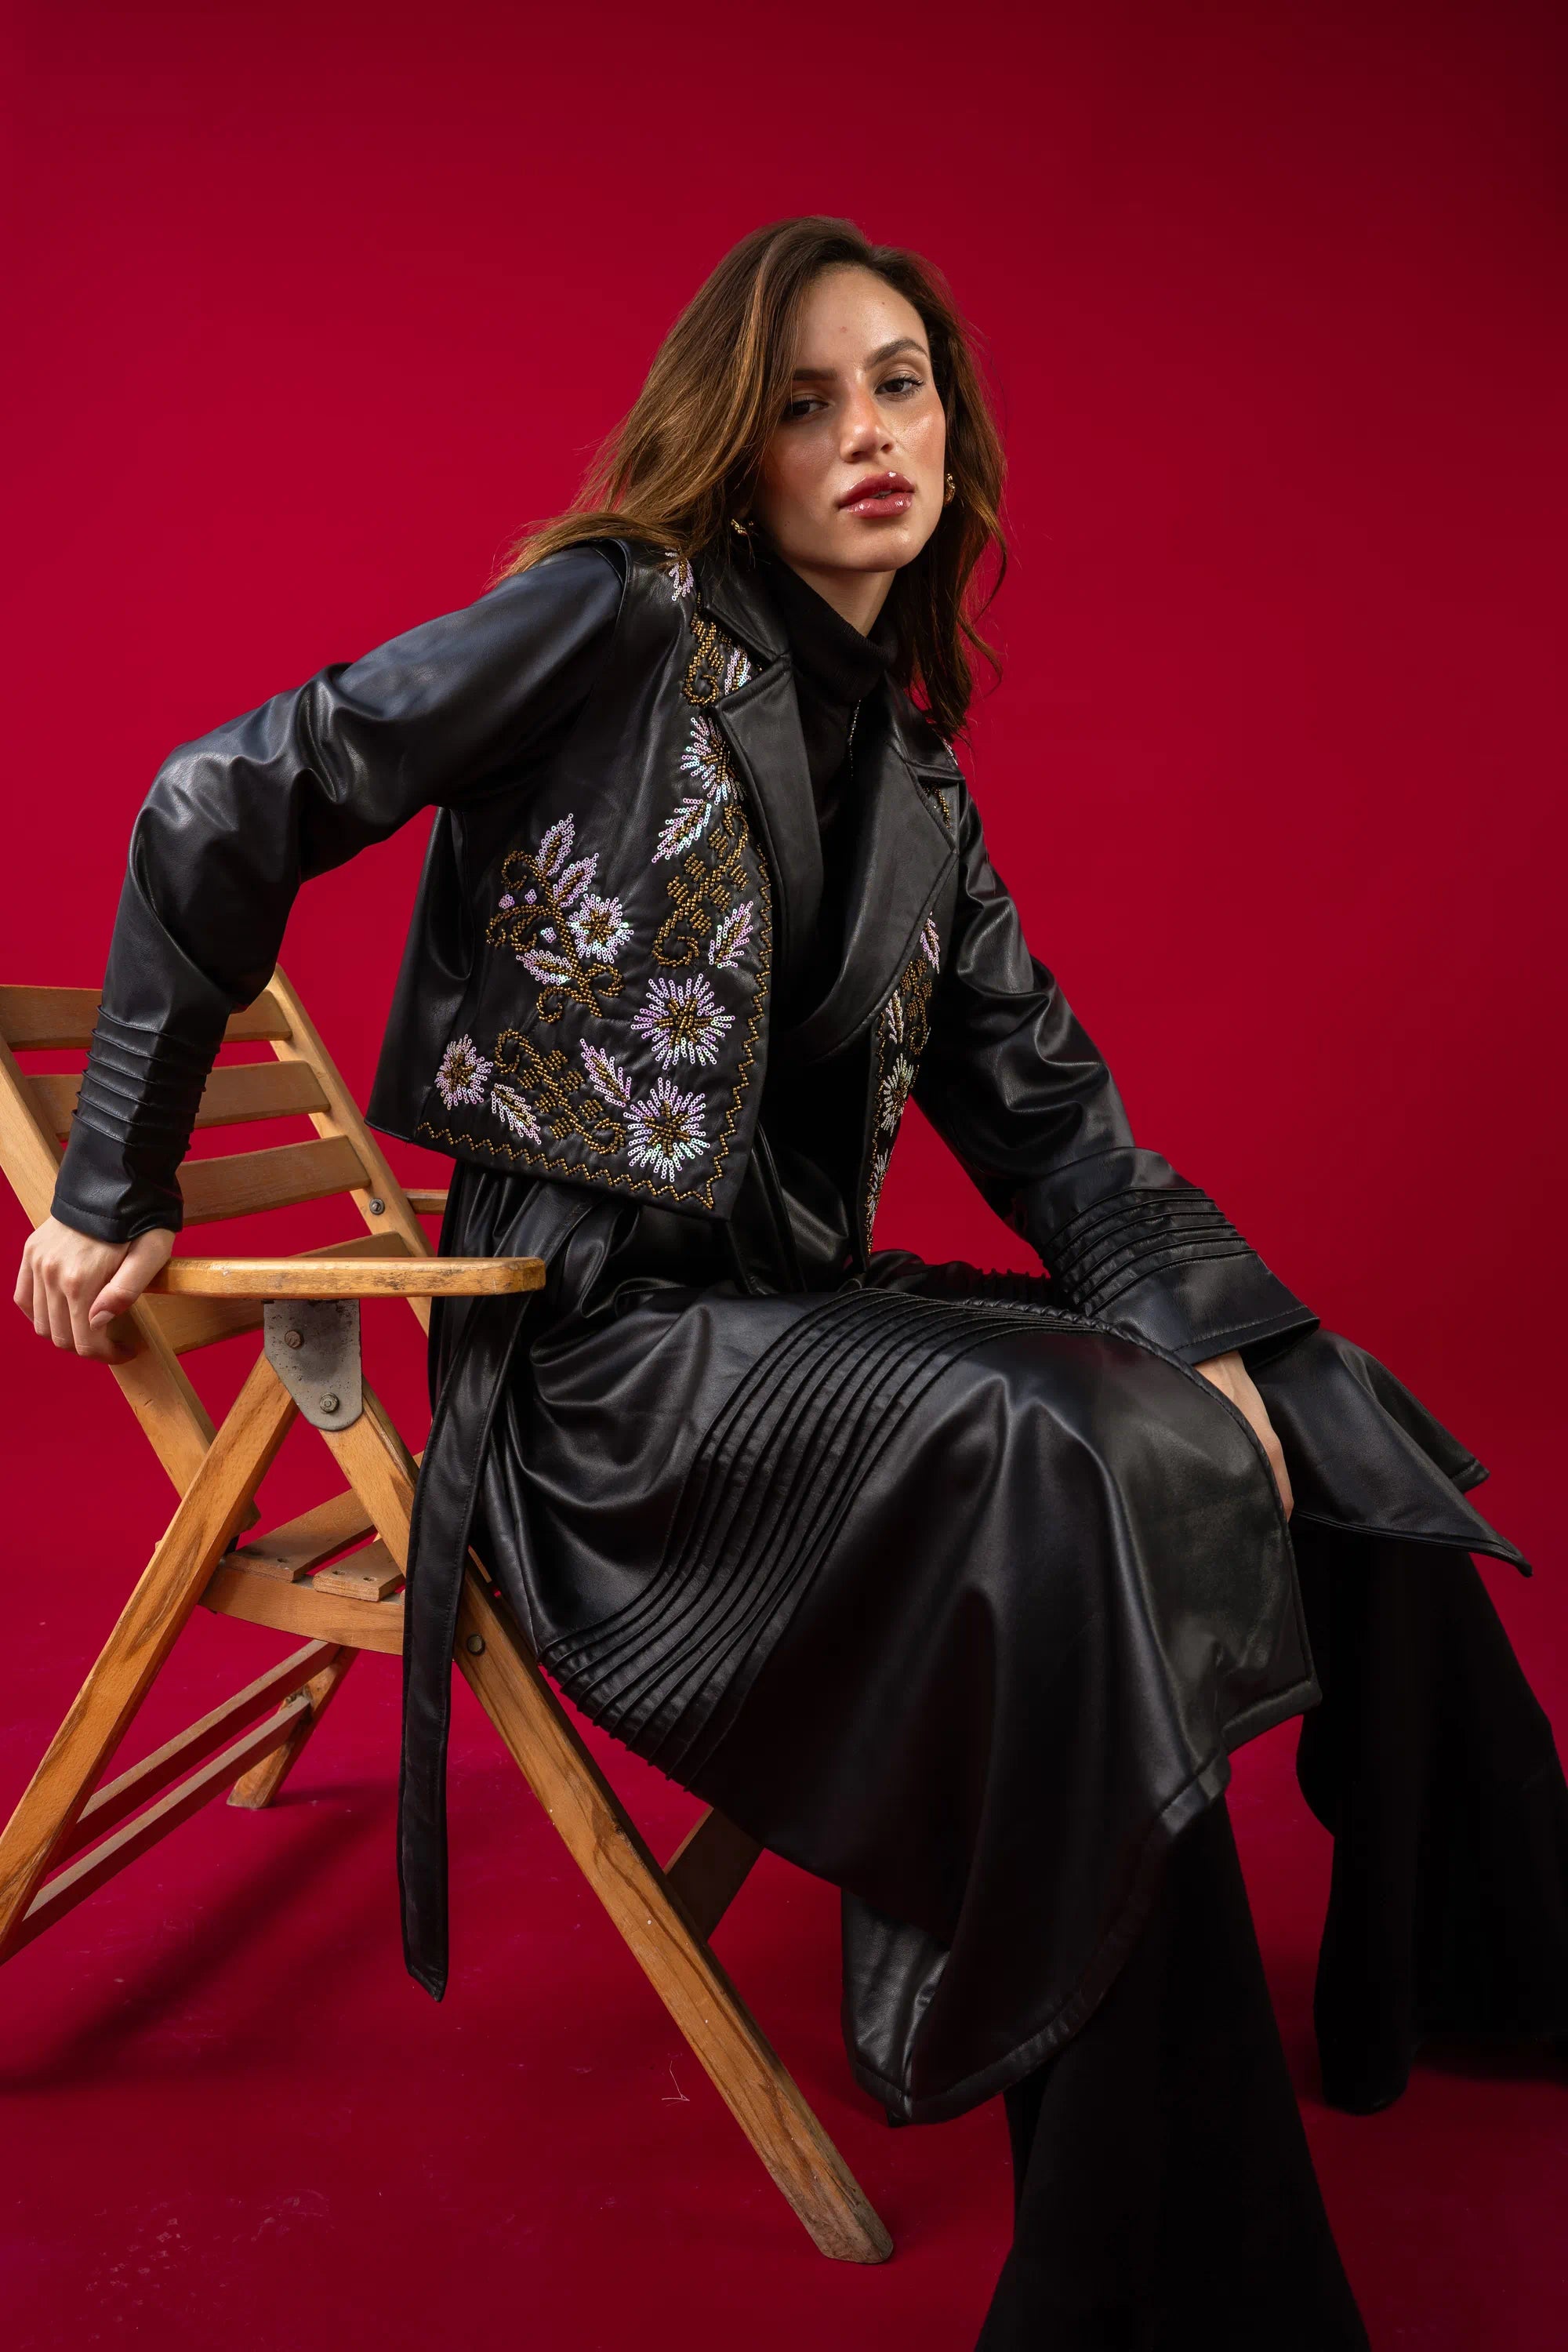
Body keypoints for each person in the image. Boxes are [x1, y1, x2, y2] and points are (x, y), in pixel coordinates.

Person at [15, 216, 1566, 2347]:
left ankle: (1488, 1972)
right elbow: (226, 797)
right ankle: (1160, 2262)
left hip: (780, 1337)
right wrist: (111, 1180)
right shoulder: (613, 617)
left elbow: (1054, 1122)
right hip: (591, 1378)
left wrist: (1235, 1347)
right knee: (1061, 1451)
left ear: (954, 433)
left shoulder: (916, 768)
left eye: (904, 385)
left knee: (1312, 1387)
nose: (867, 436)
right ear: (737, 450)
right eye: (812, 400)